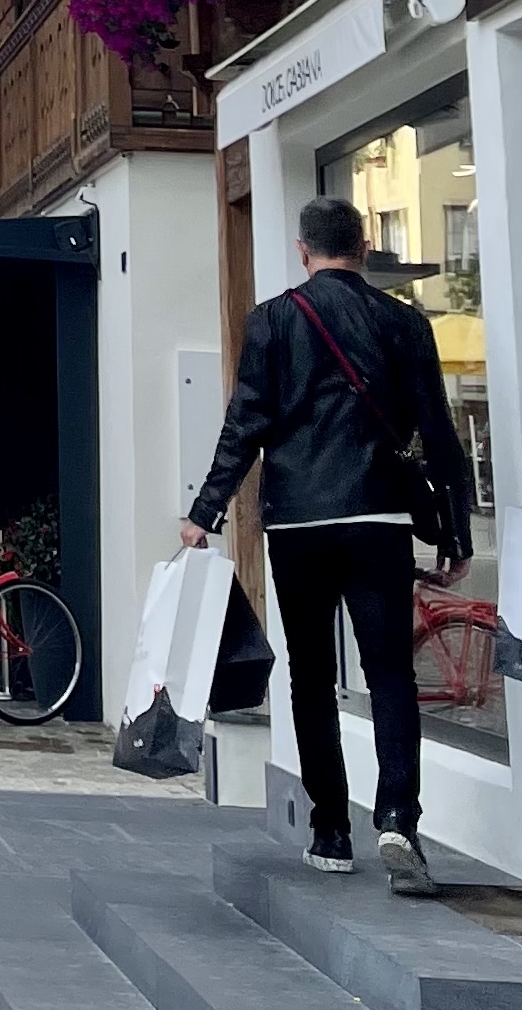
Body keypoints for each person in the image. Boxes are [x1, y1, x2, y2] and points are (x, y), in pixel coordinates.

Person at [183, 193, 472, 892]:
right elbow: (437, 429)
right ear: (365, 249)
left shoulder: (274, 319)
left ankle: (331, 830)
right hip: (378, 516)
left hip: (298, 523)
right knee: (391, 672)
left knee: (310, 675)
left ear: (303, 251)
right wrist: (456, 529)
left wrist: (205, 511)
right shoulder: (405, 322)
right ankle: (398, 818)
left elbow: (245, 424)